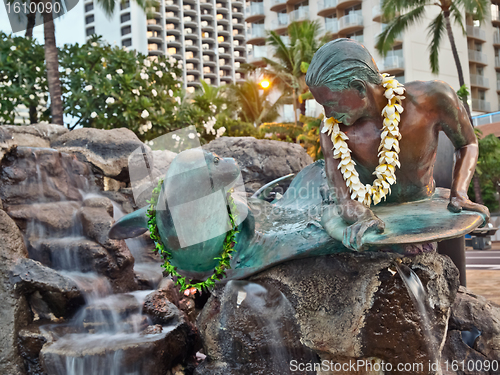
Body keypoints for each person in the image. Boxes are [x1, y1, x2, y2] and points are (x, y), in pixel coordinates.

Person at [305, 38, 489, 250]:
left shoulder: (433, 99)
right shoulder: (332, 130)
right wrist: (363, 217)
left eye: (331, 103)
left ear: (359, 88)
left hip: (423, 207)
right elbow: (345, 199)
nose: (328, 113)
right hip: (375, 216)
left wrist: (460, 193)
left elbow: (467, 144)